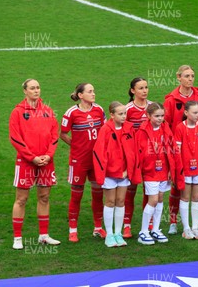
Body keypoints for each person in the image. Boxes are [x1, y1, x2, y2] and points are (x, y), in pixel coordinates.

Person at [10, 79, 61, 250]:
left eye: (38, 87)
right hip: (26, 162)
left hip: (46, 162)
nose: (36, 90)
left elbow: (55, 136)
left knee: (44, 197)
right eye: (32, 88)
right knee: (21, 199)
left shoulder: (48, 111)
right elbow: (15, 138)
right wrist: (31, 157)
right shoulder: (17, 112)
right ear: (25, 91)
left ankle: (43, 236)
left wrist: (48, 155)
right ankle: (17, 238)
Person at [163, 65, 198, 234]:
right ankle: (173, 221)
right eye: (187, 76)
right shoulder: (171, 100)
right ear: (179, 77)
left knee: (197, 188)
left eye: (192, 75)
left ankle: (197, 221)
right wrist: (170, 152)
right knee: (177, 188)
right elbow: (166, 125)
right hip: (179, 151)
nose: (190, 79)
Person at [61, 83, 106, 242]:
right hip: (78, 160)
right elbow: (63, 133)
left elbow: (105, 130)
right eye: (90, 91)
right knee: (76, 195)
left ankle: (98, 228)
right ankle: (73, 230)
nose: (93, 94)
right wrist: (76, 145)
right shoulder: (71, 113)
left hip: (96, 159)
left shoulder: (99, 110)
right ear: (80, 95)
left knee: (98, 193)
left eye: (94, 91)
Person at [92, 102, 141, 247]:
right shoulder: (105, 130)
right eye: (120, 114)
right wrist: (106, 173)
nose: (124, 116)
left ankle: (118, 234)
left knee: (120, 201)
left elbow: (133, 152)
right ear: (112, 115)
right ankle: (109, 235)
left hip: (124, 174)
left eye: (125, 113)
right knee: (110, 202)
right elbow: (100, 153)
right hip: (110, 174)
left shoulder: (129, 128)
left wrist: (128, 171)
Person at [136, 102, 183, 245]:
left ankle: (155, 229)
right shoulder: (142, 131)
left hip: (164, 169)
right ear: (148, 116)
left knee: (161, 198)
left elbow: (172, 147)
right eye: (156, 116)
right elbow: (139, 152)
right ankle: (143, 231)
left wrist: (171, 168)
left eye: (162, 116)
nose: (160, 118)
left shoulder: (165, 128)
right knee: (153, 200)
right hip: (150, 171)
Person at [174, 101, 198, 240]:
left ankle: (195, 227)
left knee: (196, 197)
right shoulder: (179, 128)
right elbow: (177, 151)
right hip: (186, 169)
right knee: (185, 197)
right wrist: (179, 170)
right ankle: (186, 228)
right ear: (186, 113)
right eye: (195, 112)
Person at [123, 76, 152, 238]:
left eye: (146, 87)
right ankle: (127, 225)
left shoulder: (152, 107)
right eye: (141, 88)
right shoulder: (127, 109)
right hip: (133, 157)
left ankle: (148, 224)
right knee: (130, 190)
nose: (144, 91)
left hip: (149, 156)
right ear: (133, 91)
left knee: (149, 189)